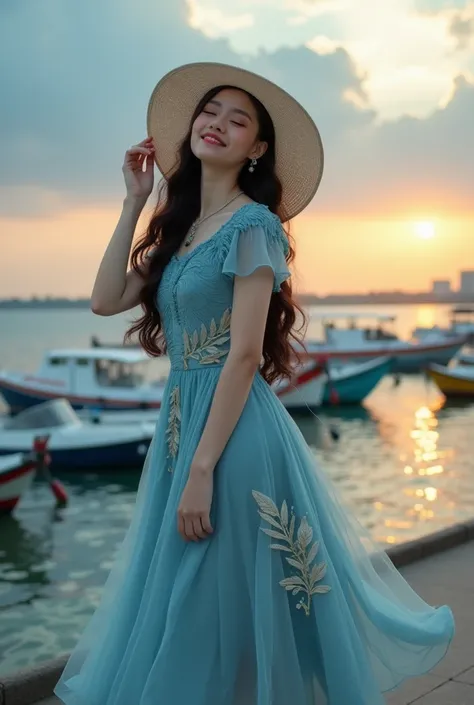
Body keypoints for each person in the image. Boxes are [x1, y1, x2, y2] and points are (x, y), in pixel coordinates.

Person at [55, 62, 454, 705]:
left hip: (231, 438)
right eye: (210, 112)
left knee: (232, 601)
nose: (218, 124)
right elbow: (105, 300)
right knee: (205, 600)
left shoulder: (254, 227)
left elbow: (243, 356)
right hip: (183, 428)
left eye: (238, 120)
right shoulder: (180, 230)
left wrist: (203, 469)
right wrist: (134, 200)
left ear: (256, 148)